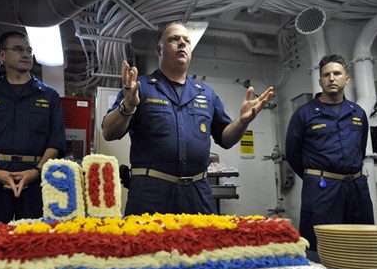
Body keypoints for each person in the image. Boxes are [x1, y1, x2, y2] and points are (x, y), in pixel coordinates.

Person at [102, 22, 274, 216]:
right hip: (151, 191)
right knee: (149, 246)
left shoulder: (206, 93)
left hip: (197, 192)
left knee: (203, 245)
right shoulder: (140, 86)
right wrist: (128, 106)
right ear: (159, 49)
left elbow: (226, 138)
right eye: (174, 39)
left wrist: (242, 122)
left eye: (187, 41)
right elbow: (109, 132)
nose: (182, 43)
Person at [0, 31, 66, 233]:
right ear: (2, 55)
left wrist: (35, 172)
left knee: (36, 243)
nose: (25, 54)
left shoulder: (49, 96)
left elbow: (56, 141)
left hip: (35, 178)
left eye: (28, 50)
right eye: (18, 49)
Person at [285, 54, 374, 251]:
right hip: (322, 189)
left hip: (357, 187)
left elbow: (360, 146)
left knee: (362, 243)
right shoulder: (304, 113)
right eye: (326, 75)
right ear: (320, 81)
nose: (331, 78)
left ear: (346, 78)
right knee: (321, 245)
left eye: (336, 73)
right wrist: (316, 176)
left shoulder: (357, 112)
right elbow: (292, 153)